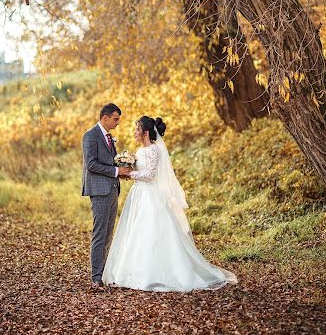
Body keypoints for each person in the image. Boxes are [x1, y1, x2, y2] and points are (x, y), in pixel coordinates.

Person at [102, 116, 237, 292]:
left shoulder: (153, 150)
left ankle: (154, 275)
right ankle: (131, 271)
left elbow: (150, 175)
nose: (134, 132)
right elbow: (140, 170)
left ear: (146, 132)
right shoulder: (140, 151)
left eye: (137, 129)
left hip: (149, 195)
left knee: (151, 231)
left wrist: (130, 174)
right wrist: (128, 169)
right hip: (138, 194)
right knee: (136, 231)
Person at [82, 103, 131, 289]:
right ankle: (96, 277)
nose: (118, 123)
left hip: (112, 189)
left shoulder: (109, 137)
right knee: (100, 234)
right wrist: (116, 170)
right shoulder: (90, 136)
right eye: (115, 119)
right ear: (105, 118)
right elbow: (91, 165)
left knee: (108, 234)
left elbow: (112, 162)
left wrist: (122, 172)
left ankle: (104, 273)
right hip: (99, 191)